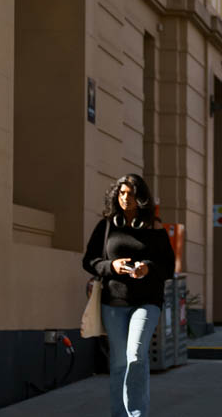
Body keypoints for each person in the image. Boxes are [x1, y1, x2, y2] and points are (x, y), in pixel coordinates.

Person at [82, 174, 175, 417]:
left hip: (146, 302)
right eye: (122, 193)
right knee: (119, 363)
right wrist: (111, 267)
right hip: (113, 302)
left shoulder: (155, 227)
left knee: (135, 355)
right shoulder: (106, 226)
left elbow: (169, 268)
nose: (125, 198)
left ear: (140, 197)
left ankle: (136, 414)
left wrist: (148, 268)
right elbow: (89, 261)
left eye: (130, 194)